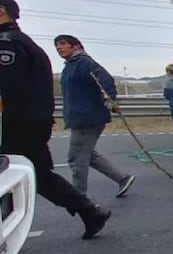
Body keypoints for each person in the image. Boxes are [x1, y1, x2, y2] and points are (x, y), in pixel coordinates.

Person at [0, 0, 111, 240]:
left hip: (19, 123)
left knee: (16, 175)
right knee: (39, 175)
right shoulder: (25, 42)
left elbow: (8, 88)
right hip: (33, 121)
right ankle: (89, 211)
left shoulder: (7, 44)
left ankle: (88, 210)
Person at [56, 34, 137, 196]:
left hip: (87, 118)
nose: (59, 48)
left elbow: (105, 80)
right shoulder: (70, 66)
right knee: (88, 155)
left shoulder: (84, 63)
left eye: (63, 44)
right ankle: (122, 178)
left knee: (76, 159)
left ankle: (79, 200)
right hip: (81, 117)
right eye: (57, 45)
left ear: (76, 46)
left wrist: (111, 102)